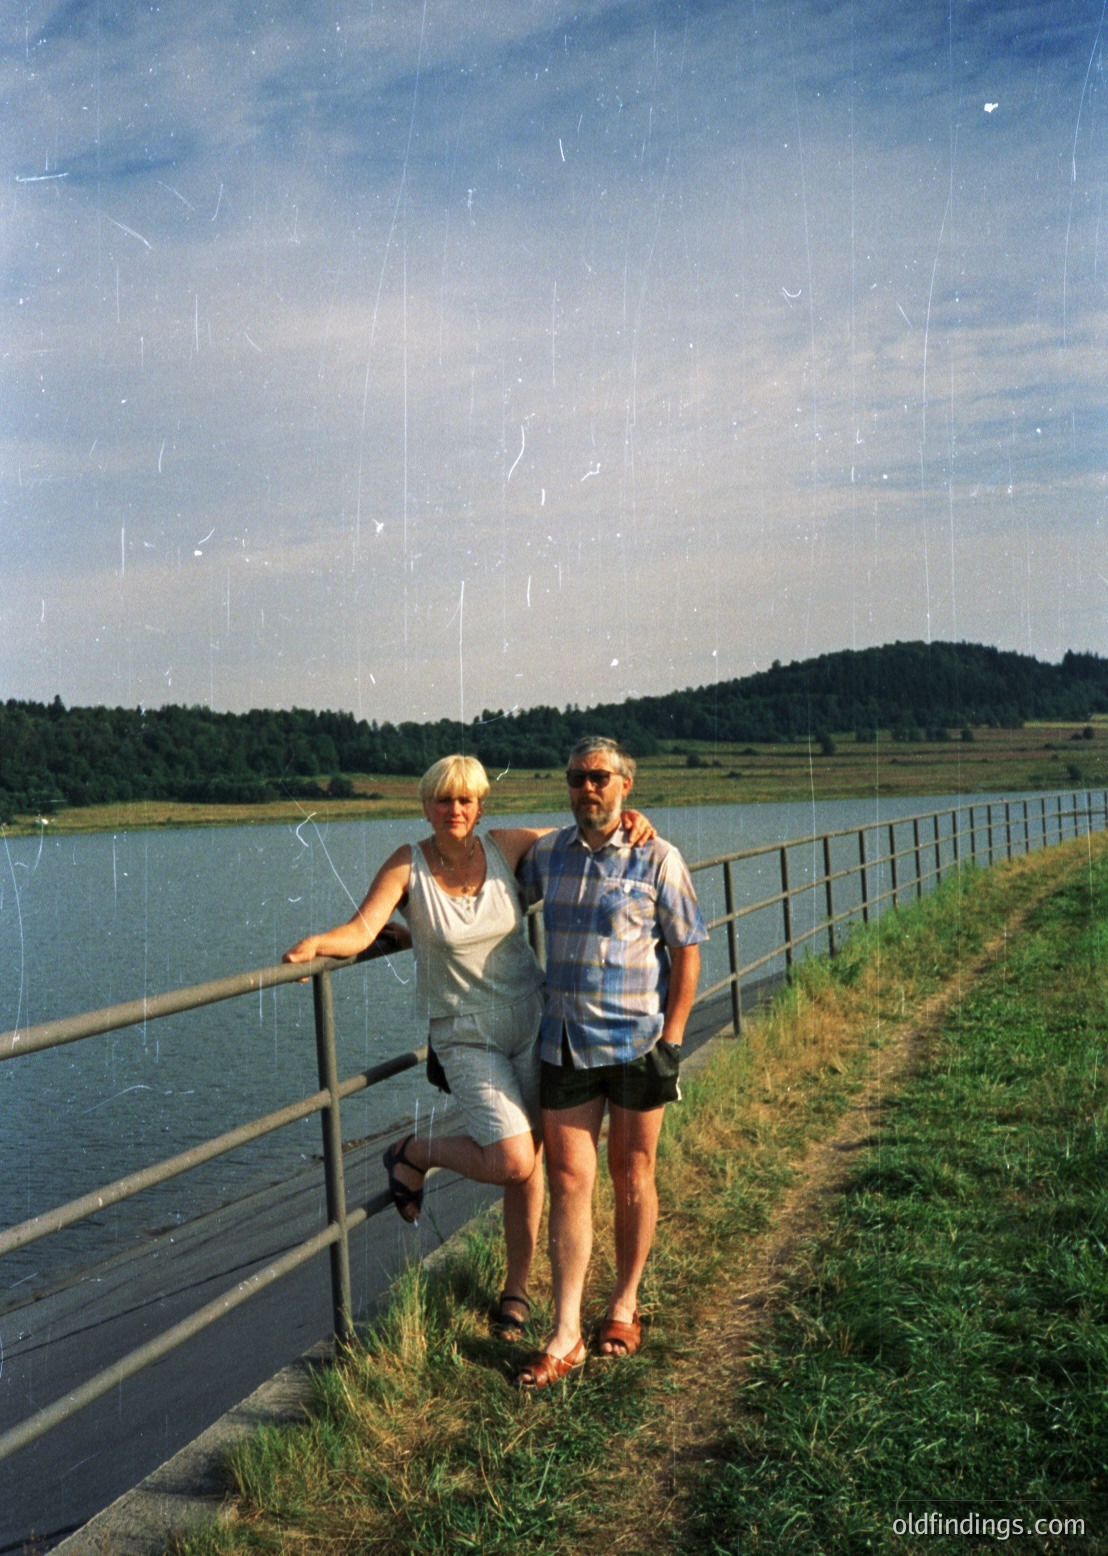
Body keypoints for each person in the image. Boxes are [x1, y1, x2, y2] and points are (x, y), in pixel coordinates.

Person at [283, 754, 652, 1339]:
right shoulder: (408, 865)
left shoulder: (507, 846)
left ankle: (516, 1290)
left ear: (481, 806)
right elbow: (361, 927)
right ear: (425, 805)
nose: (454, 810)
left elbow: (585, 834)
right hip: (463, 1033)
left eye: (466, 800)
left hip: (532, 1019)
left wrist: (628, 819)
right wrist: (317, 944)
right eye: (442, 800)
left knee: (531, 1165)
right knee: (513, 1158)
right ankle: (414, 1152)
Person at [514, 736, 707, 1387]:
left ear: (626, 783)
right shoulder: (549, 855)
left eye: (599, 778)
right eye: (575, 779)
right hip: (565, 1041)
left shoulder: (659, 857)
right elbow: (493, 853)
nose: (586, 789)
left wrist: (673, 1037)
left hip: (638, 1043)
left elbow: (687, 952)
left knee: (632, 1172)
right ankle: (566, 1331)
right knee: (569, 1179)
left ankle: (624, 1303)